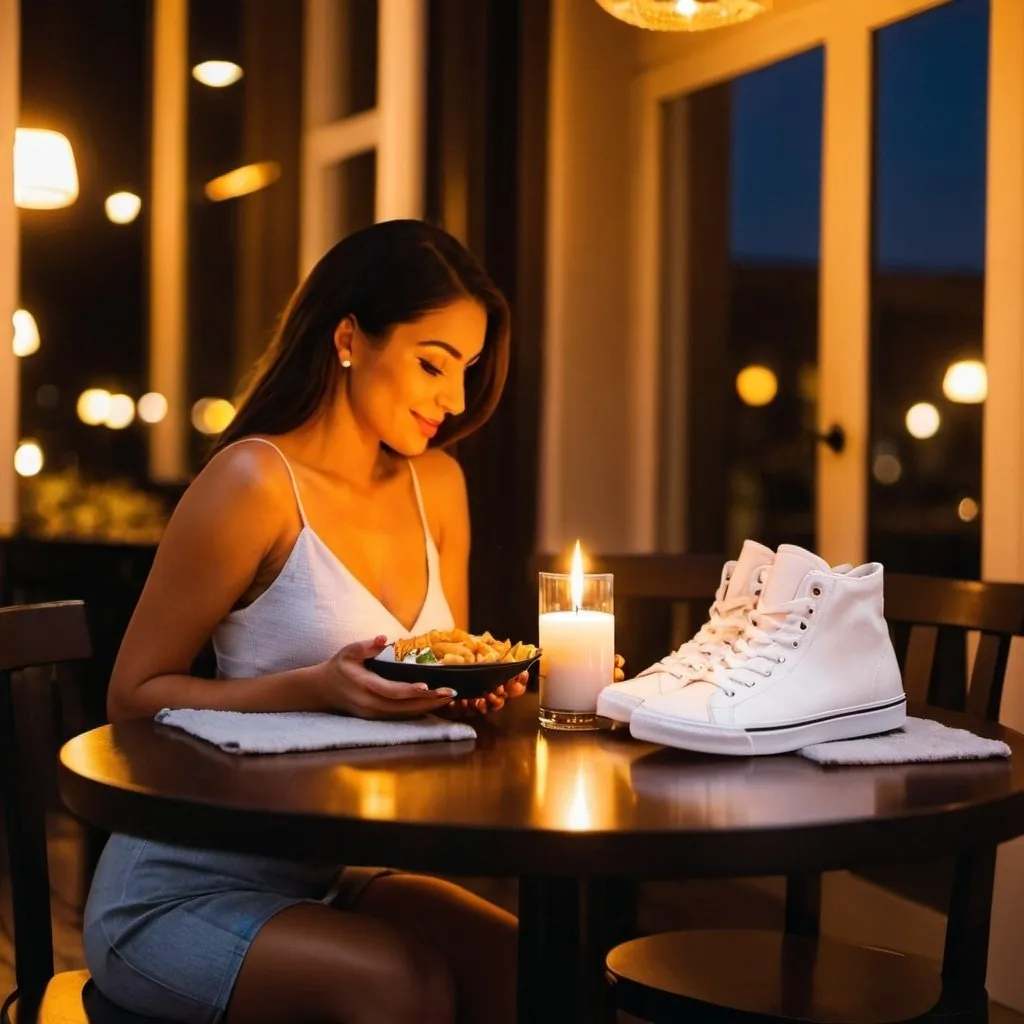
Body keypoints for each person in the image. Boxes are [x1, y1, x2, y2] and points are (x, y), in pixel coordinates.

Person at [82, 220, 524, 1024]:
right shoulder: (254, 482)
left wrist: (472, 696)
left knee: (524, 965)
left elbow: (430, 681)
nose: (455, 400)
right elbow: (132, 694)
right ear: (349, 338)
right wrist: (317, 688)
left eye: (467, 369)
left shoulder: (441, 486)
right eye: (432, 363)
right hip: (177, 891)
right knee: (399, 983)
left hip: (323, 877)